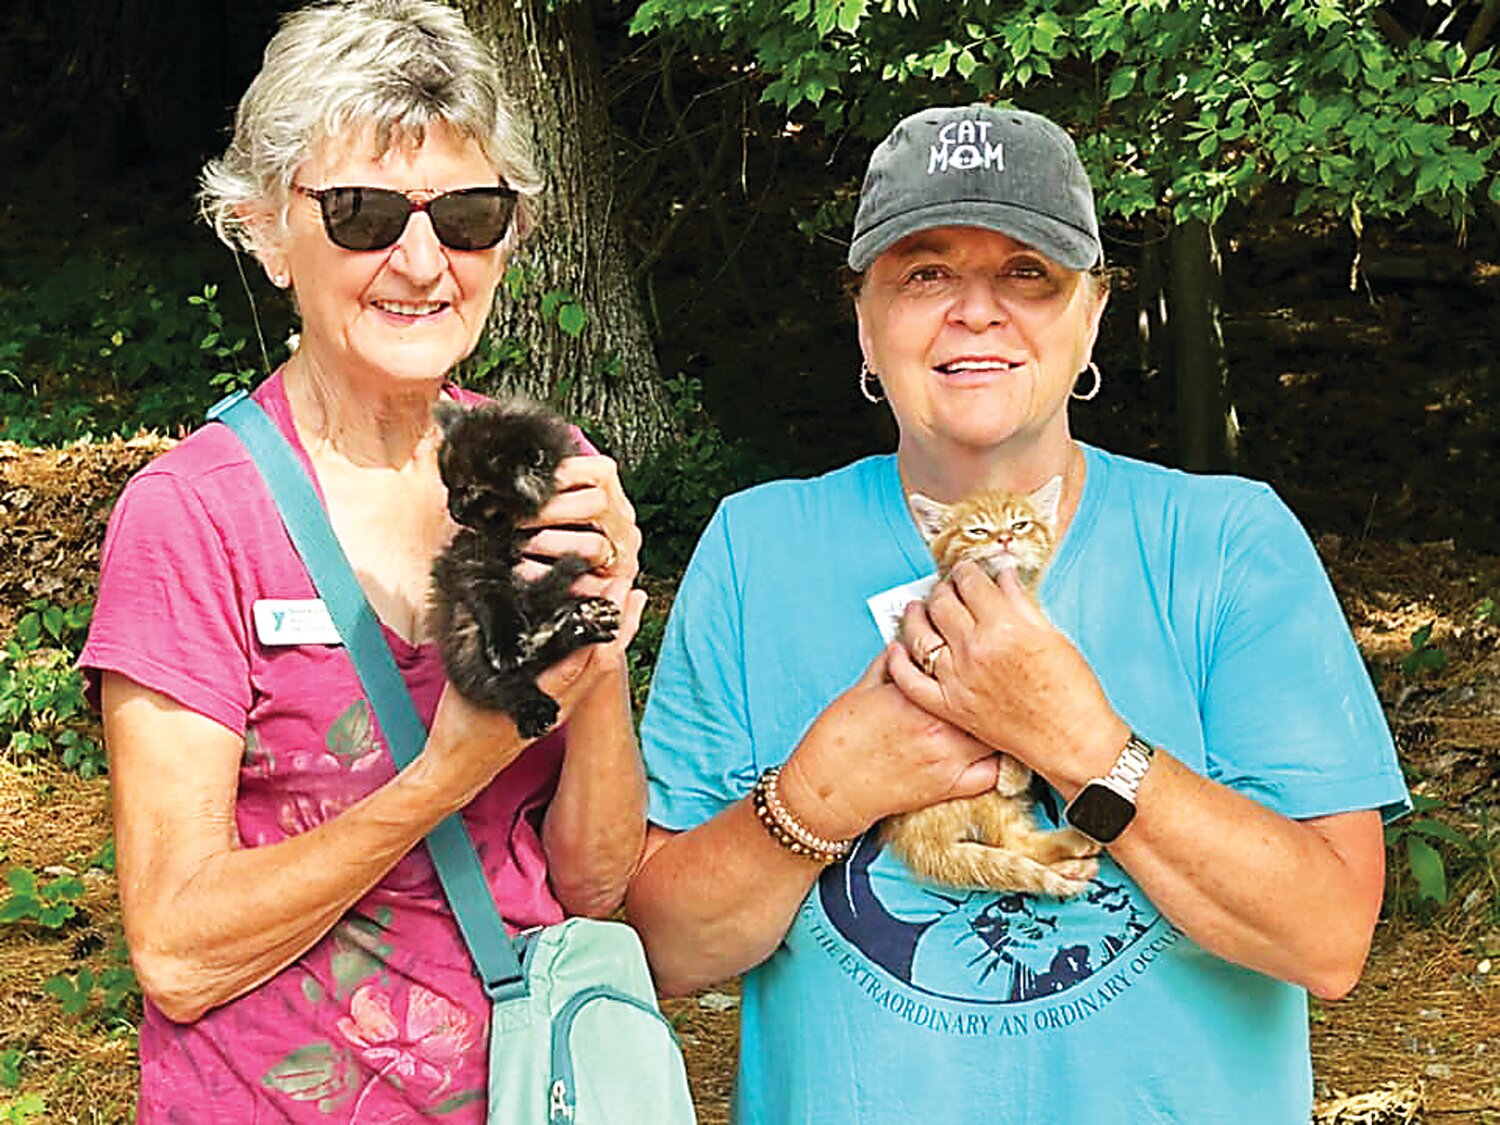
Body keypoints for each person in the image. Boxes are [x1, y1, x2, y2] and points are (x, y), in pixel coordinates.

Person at [626, 103, 1410, 1123]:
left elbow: (1328, 938)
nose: (976, 310)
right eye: (925, 272)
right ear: (865, 318)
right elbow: (665, 950)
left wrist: (1081, 742)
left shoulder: (1224, 543)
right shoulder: (756, 548)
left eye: (1027, 273)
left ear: (1091, 312)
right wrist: (820, 794)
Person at [79, 1, 648, 1118]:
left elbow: (592, 881)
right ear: (261, 229)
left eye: (469, 213)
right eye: (363, 214)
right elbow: (180, 953)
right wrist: (450, 770)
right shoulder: (194, 517)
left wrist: (605, 640)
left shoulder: (547, 470)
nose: (423, 261)